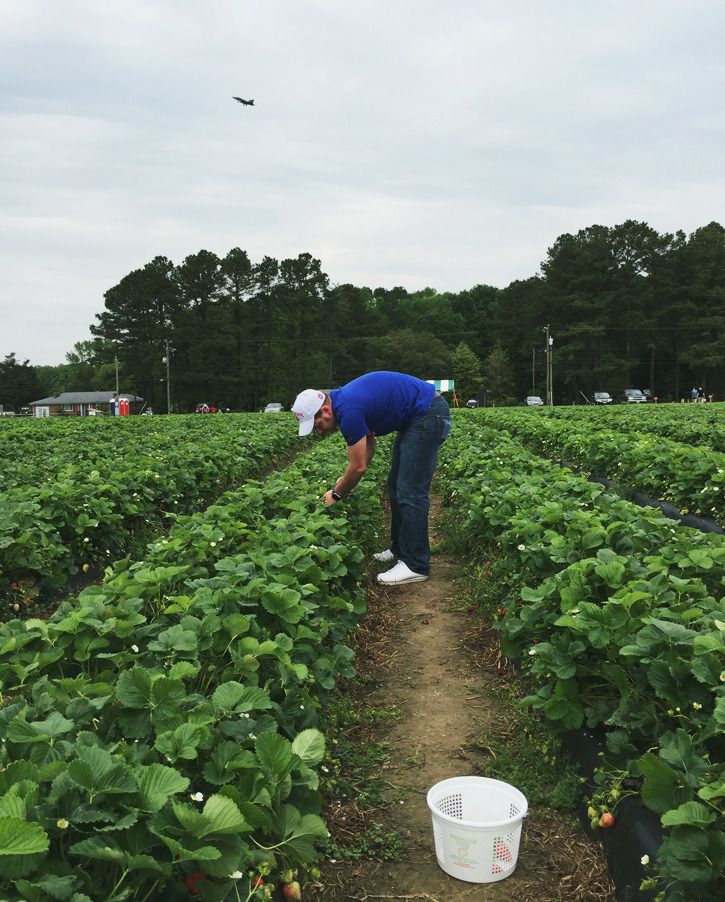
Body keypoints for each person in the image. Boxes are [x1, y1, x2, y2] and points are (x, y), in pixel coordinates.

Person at [292, 372, 451, 586]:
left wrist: (337, 493)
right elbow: (369, 446)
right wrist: (346, 479)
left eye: (316, 424)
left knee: (410, 492)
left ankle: (415, 564)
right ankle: (399, 548)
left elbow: (358, 466)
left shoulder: (348, 411)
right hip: (420, 415)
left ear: (326, 410)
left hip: (427, 415)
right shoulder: (345, 403)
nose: (317, 431)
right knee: (395, 487)